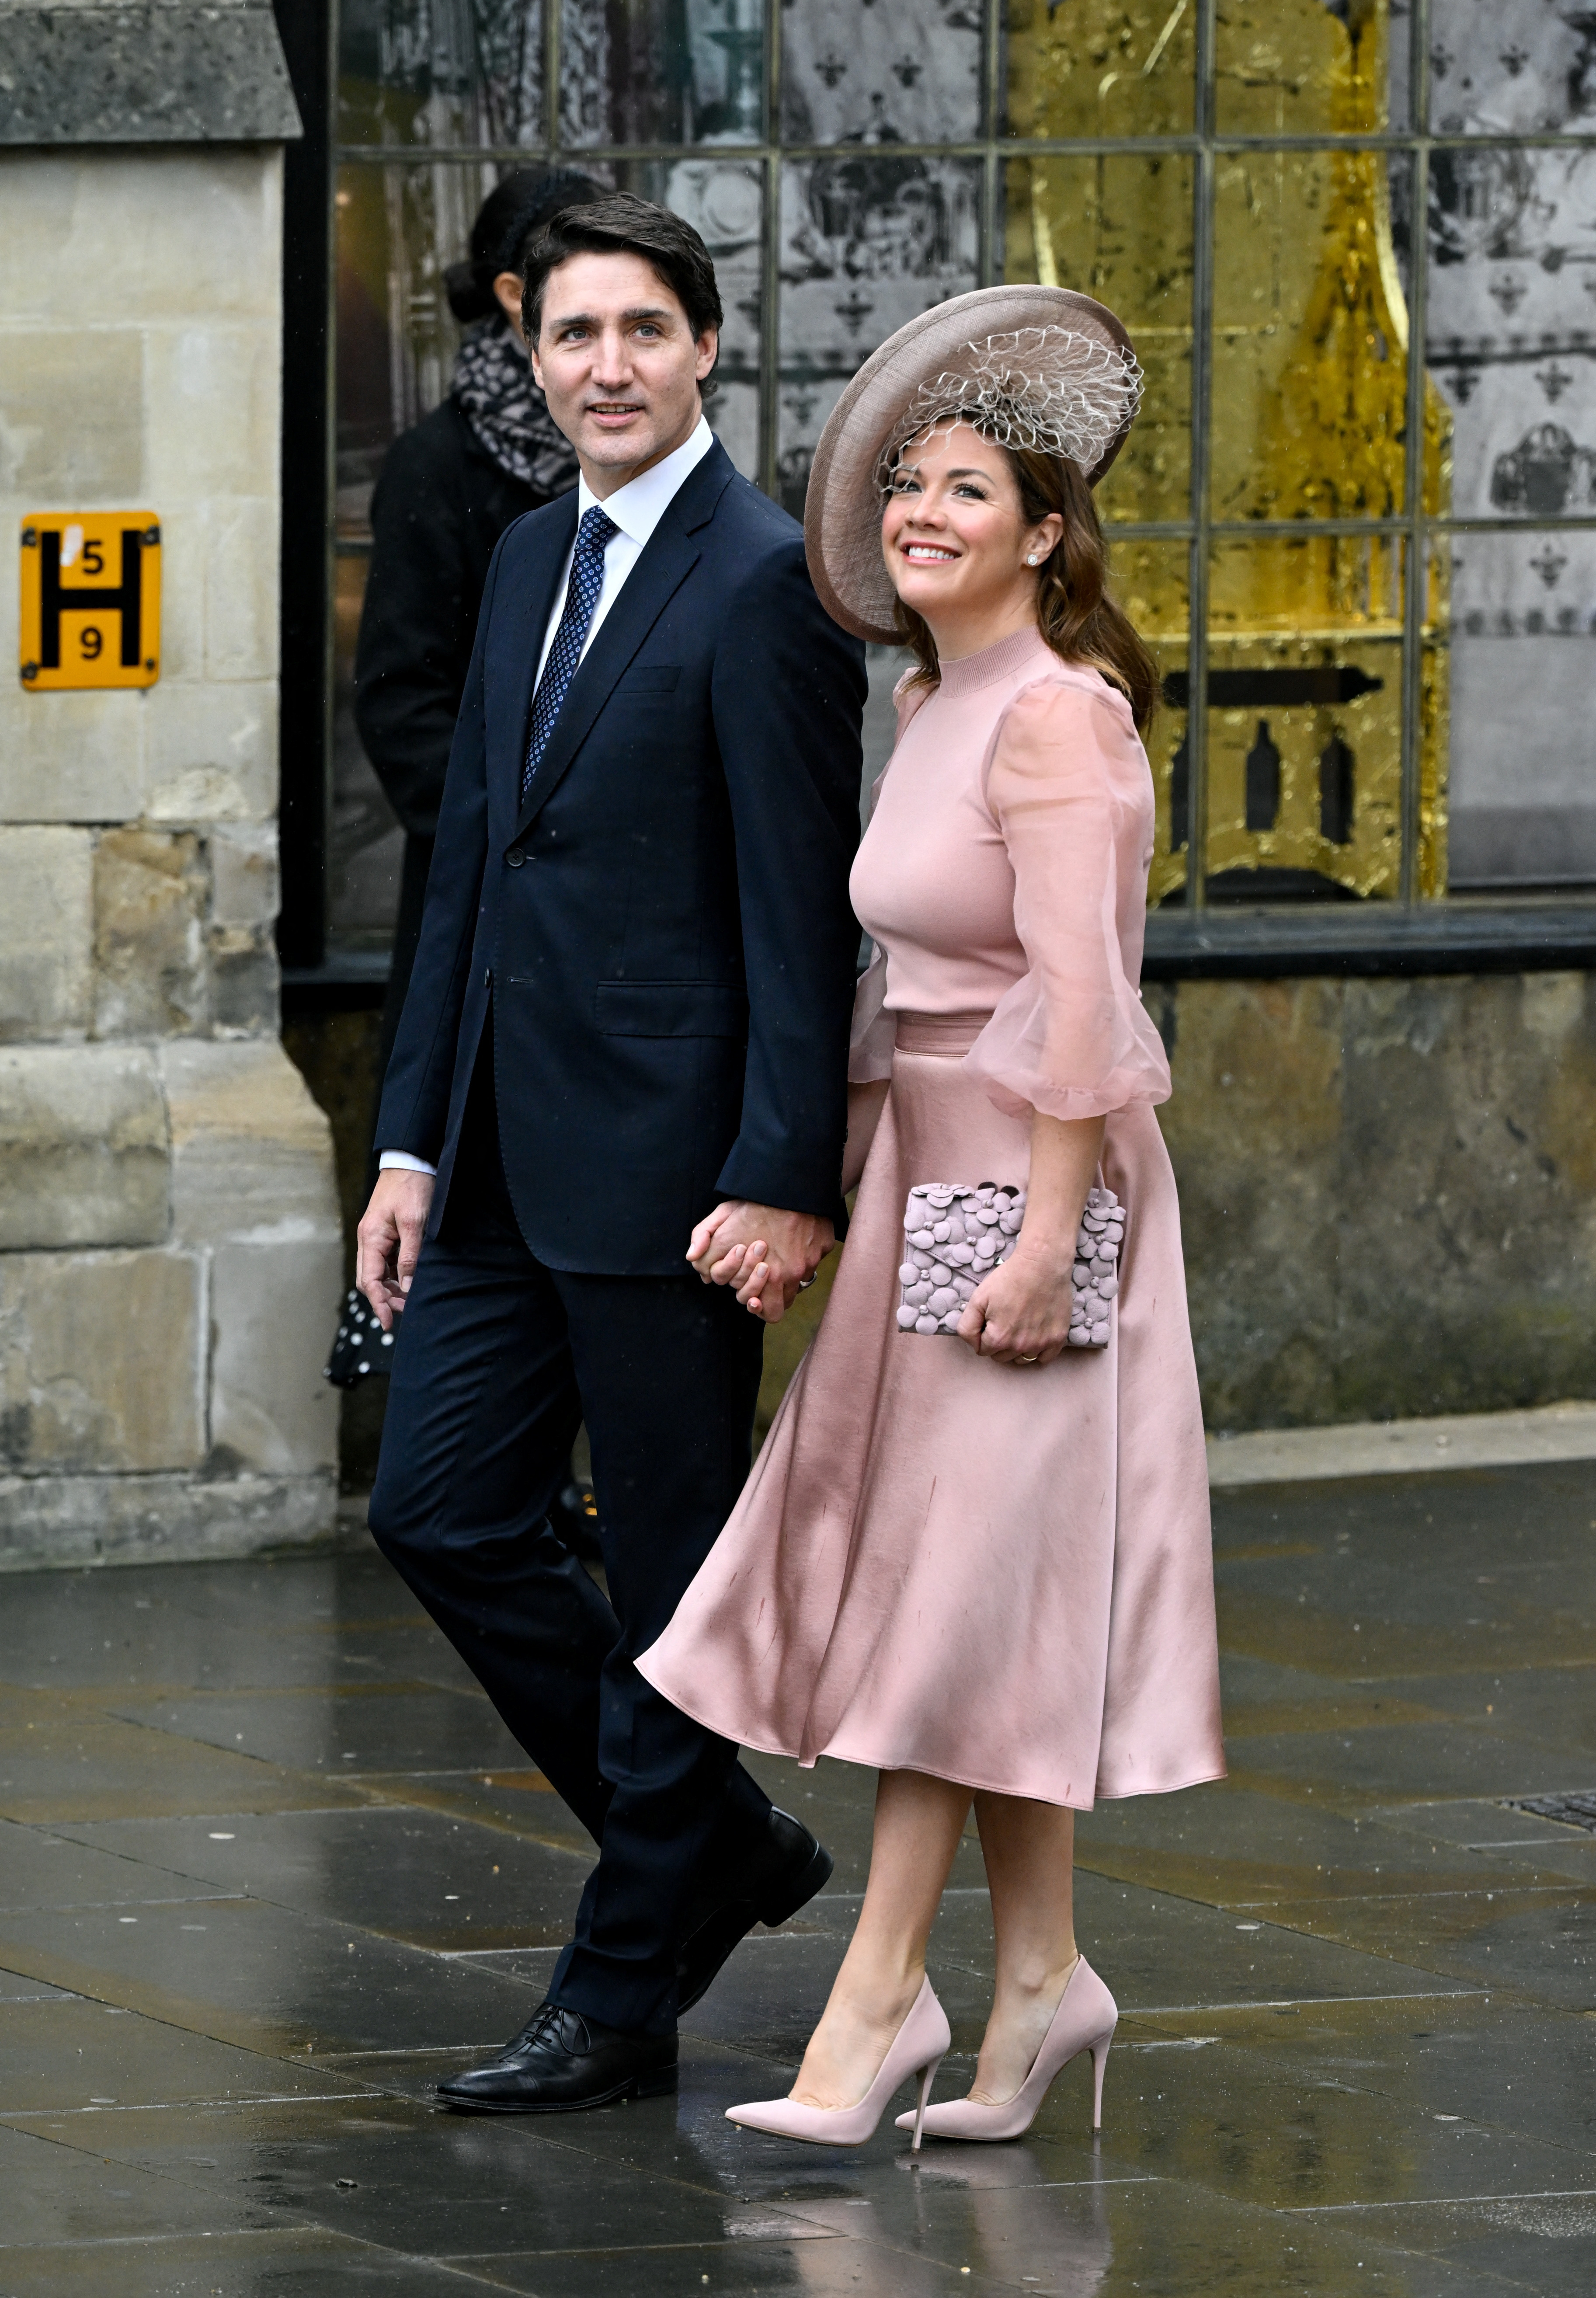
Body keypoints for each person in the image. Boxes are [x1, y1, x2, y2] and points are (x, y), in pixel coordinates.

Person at [640, 286, 1225, 2148]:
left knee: (944, 1610)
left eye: (966, 488)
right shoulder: (931, 697)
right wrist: (840, 1196)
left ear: (1044, 531)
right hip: (929, 1188)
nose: (922, 510)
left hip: (1032, 1195)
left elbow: (1081, 1003)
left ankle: (879, 2004)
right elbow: (901, 992)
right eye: (907, 483)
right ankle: (1041, 1979)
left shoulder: (1060, 720)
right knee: (978, 1602)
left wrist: (1051, 1242)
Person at [355, 192, 868, 2114]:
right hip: (488, 1156)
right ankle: (716, 1845)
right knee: (437, 1509)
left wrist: (782, 1169)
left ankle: (625, 1979)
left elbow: (797, 917)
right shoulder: (520, 565)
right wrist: (408, 1140)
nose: (608, 369)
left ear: (707, 351)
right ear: (533, 352)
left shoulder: (762, 582)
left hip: (678, 1182)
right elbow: (467, 871)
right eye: (577, 337)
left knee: (667, 1586)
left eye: (645, 332)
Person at [327, 166, 598, 1402]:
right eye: (575, 305)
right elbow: (398, 695)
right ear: (509, 298)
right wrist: (519, 841)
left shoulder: (646, 465)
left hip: (621, 915)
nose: (607, 347)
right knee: (474, 1176)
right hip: (487, 898)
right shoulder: (439, 468)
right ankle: (500, 1461)